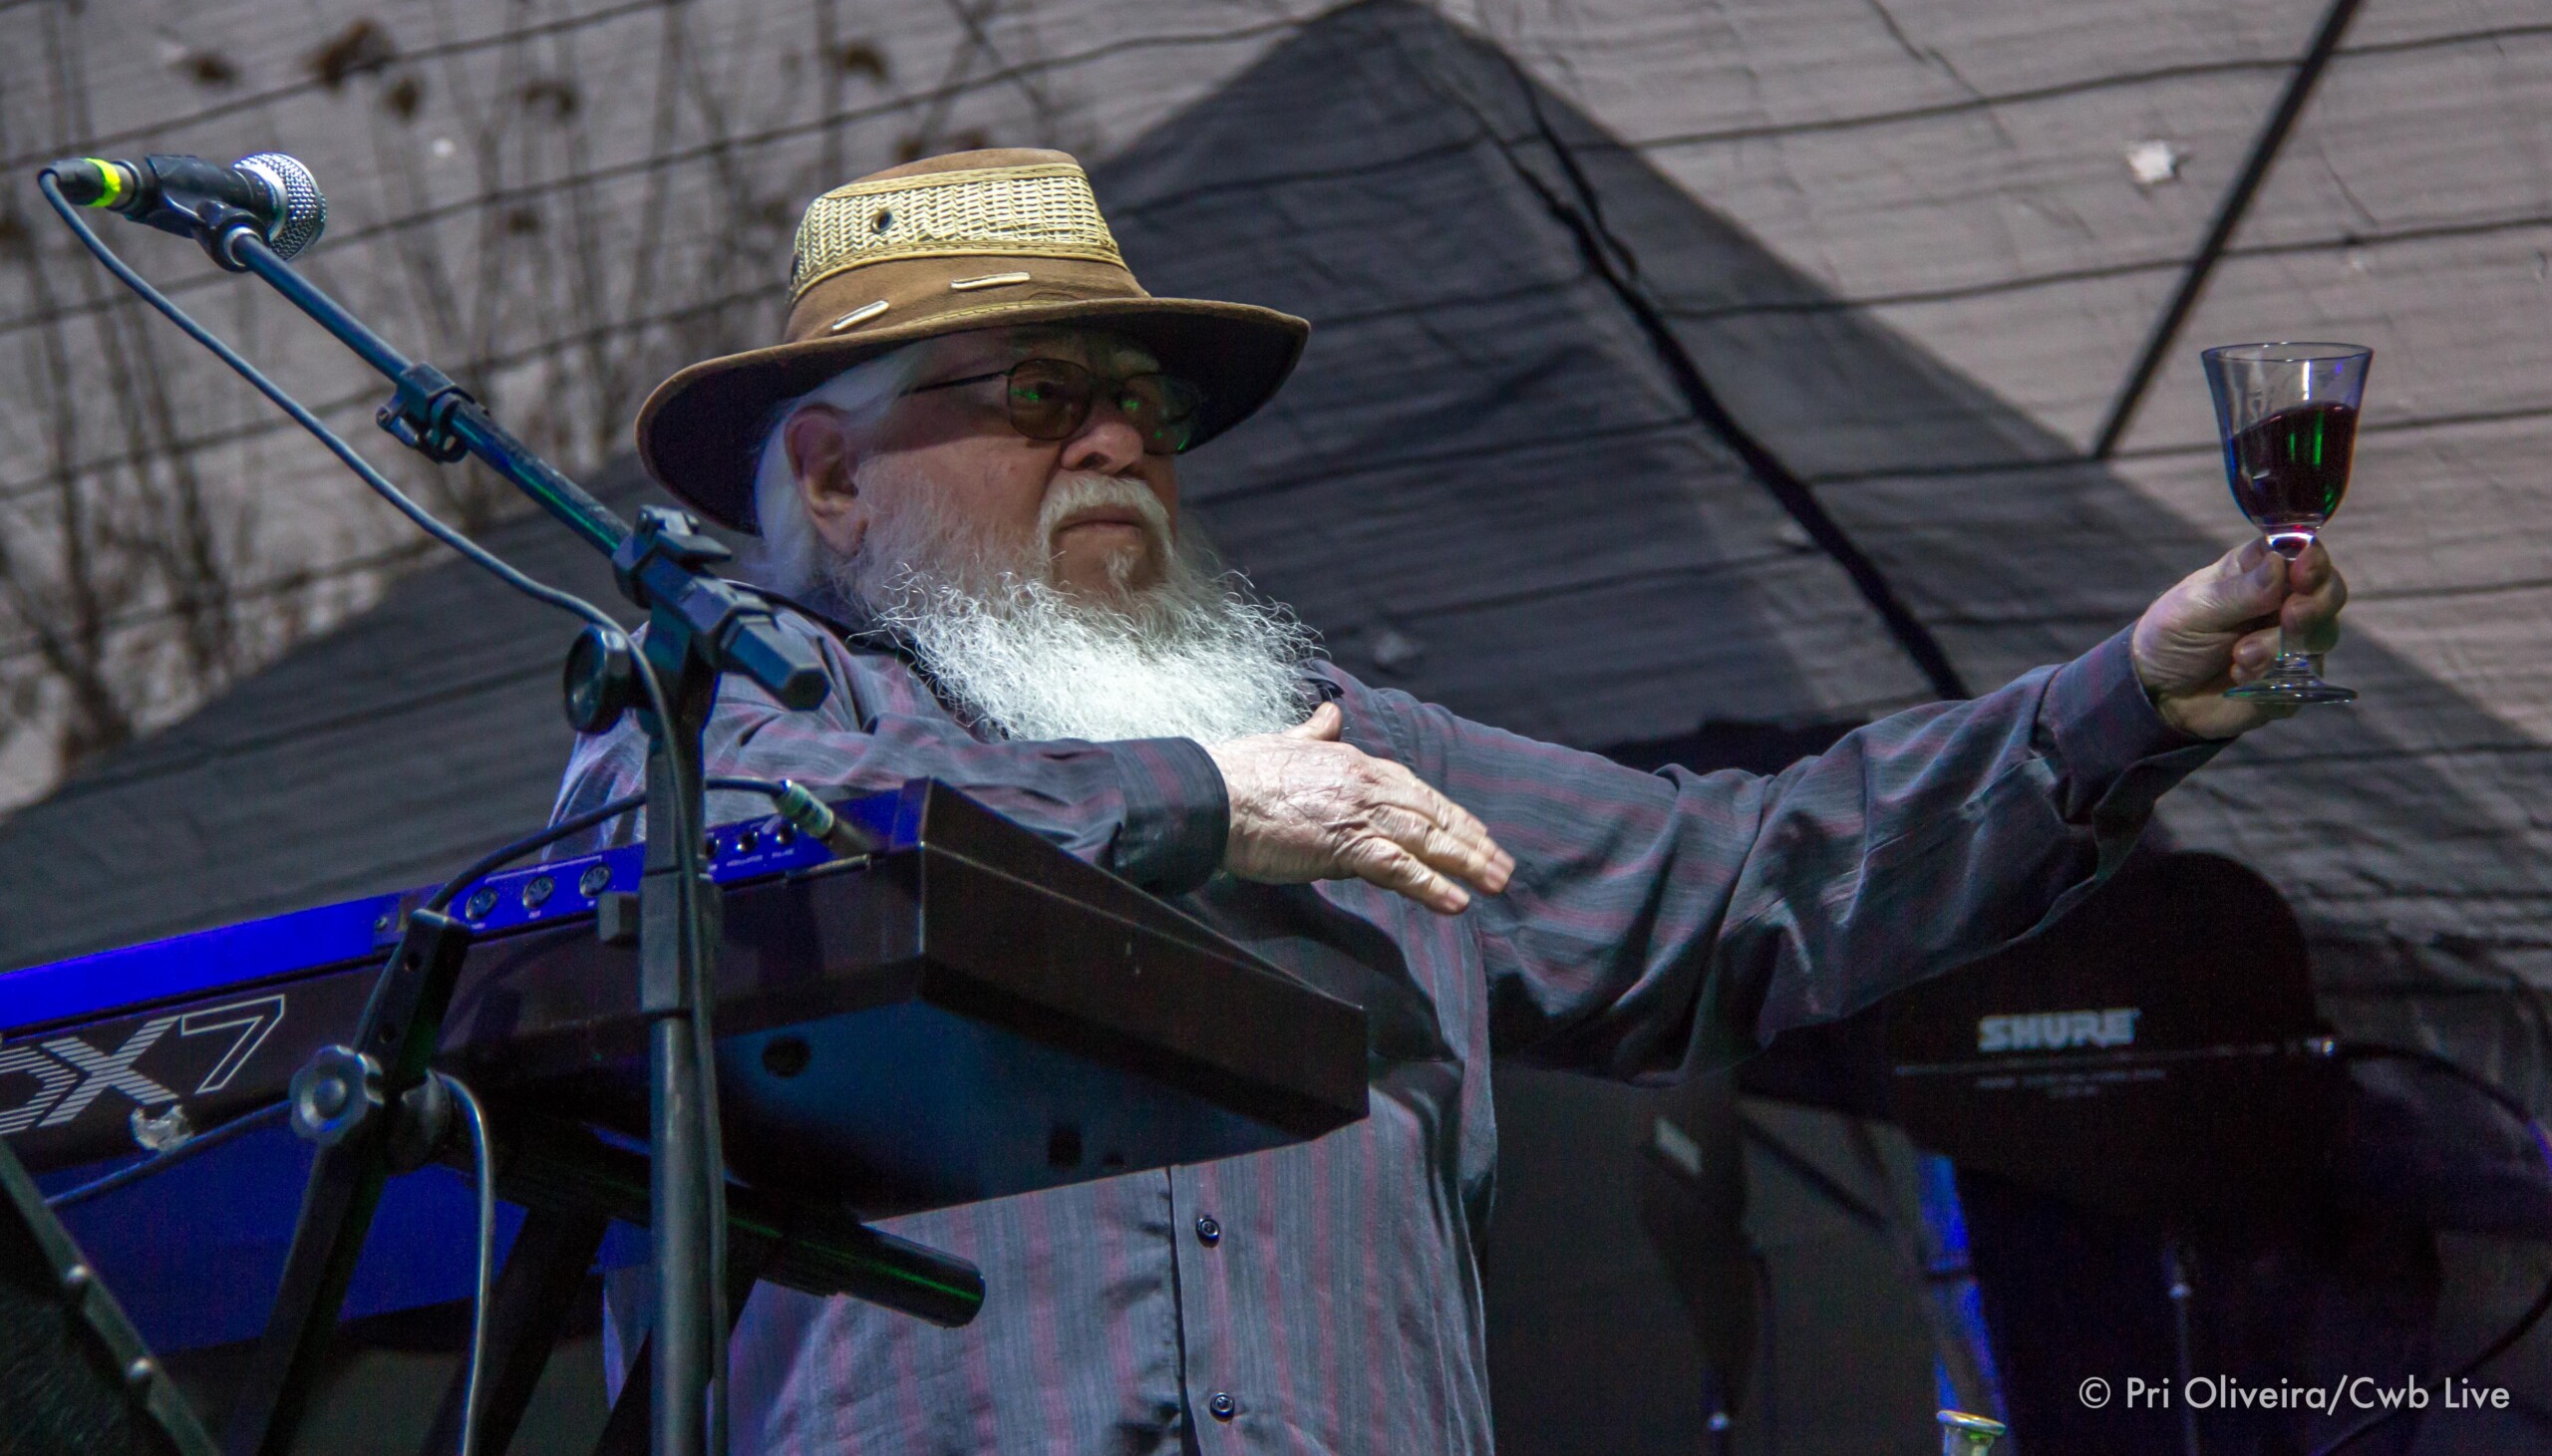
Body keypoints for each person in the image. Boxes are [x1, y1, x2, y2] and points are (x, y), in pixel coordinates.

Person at [554, 147, 2347, 1454]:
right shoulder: (715, 716)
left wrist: (2125, 702)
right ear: (831, 474)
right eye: (1041, 394)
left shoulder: (1344, 742)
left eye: (1141, 402)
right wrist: (1199, 802)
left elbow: (1734, 877)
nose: (1117, 441)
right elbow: (734, 873)